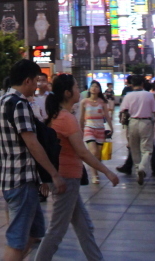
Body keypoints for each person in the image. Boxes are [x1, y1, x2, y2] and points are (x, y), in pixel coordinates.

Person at [35, 74, 119, 261]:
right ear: (67, 93)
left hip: (67, 177)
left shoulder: (58, 115)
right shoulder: (66, 118)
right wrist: (107, 171)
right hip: (67, 179)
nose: (78, 89)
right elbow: (82, 152)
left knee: (84, 227)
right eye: (75, 87)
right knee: (56, 231)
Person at [0, 59, 66, 261]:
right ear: (27, 81)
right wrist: (53, 173)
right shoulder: (19, 104)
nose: (37, 86)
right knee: (17, 240)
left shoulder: (0, 102)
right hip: (21, 180)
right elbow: (32, 143)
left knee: (34, 232)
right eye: (36, 81)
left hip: (8, 178)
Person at [120, 74, 155, 185]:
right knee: (147, 149)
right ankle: (142, 167)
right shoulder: (149, 95)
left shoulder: (128, 96)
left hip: (132, 122)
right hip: (146, 122)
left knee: (134, 148)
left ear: (132, 84)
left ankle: (138, 170)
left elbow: (123, 110)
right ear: (143, 84)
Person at [81, 80, 111, 182]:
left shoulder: (102, 102)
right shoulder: (84, 102)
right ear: (89, 88)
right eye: (92, 86)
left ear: (99, 90)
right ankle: (94, 175)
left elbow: (107, 116)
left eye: (96, 87)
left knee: (98, 154)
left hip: (100, 129)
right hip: (89, 128)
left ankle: (96, 169)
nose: (94, 88)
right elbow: (81, 117)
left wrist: (111, 127)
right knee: (93, 152)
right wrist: (80, 129)